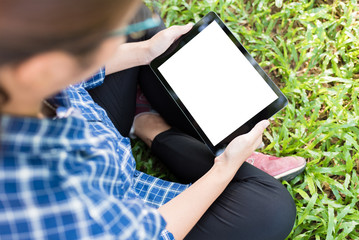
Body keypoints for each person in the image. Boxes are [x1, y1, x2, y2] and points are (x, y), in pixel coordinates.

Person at [0, 1, 303, 239]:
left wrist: (147, 50)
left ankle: (150, 120)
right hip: (119, 206)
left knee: (134, 19)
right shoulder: (36, 189)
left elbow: (64, 77)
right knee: (269, 209)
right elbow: (152, 233)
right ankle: (159, 130)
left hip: (98, 135)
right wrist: (226, 168)